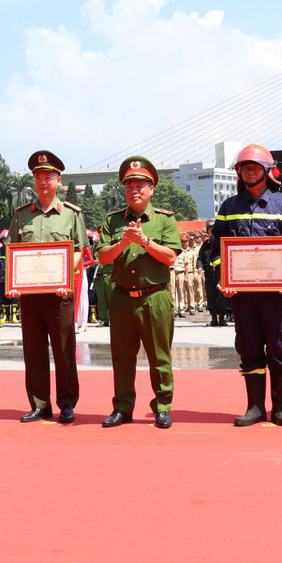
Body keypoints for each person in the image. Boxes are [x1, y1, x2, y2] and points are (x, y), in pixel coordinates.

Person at [209, 144, 282, 427]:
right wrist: (224, 277)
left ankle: (279, 409)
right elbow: (217, 249)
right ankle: (254, 408)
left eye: (255, 167)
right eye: (245, 168)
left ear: (268, 171)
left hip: (276, 293)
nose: (250, 172)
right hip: (242, 294)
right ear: (239, 173)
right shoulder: (229, 207)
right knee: (248, 347)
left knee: (278, 347)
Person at [97, 157, 181, 429]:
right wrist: (124, 242)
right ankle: (122, 408)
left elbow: (170, 257)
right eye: (129, 185)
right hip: (121, 298)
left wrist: (145, 241)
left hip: (154, 298)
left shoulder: (164, 220)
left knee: (159, 357)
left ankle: (163, 406)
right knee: (122, 358)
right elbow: (103, 257)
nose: (134, 190)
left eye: (140, 185)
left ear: (151, 189)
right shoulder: (113, 220)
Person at [7, 150, 85, 424]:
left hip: (59, 295)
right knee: (34, 351)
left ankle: (67, 403)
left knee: (64, 350)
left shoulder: (71, 214)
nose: (43, 181)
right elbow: (13, 250)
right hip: (30, 296)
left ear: (58, 181)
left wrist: (66, 277)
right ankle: (39, 404)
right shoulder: (22, 215)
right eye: (38, 177)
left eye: (48, 177)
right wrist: (12, 283)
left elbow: (79, 250)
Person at [197, 219, 225, 326]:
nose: (211, 231)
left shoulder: (221, 242)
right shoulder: (205, 245)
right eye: (210, 229)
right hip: (209, 274)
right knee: (211, 296)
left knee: (221, 296)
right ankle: (214, 318)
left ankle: (222, 318)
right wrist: (199, 266)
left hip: (219, 274)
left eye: (213, 229)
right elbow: (200, 258)